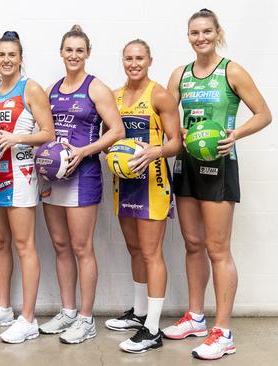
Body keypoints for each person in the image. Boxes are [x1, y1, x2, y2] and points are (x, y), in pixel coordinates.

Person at [161, 9, 271, 360]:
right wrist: (172, 131)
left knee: (217, 248)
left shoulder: (232, 71)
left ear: (217, 32)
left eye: (206, 31)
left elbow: (264, 114)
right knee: (192, 244)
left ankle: (222, 331)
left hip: (220, 165)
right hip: (187, 165)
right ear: (188, 35)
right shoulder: (179, 75)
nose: (200, 38)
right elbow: (165, 115)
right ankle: (195, 317)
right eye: (194, 32)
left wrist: (235, 133)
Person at [37, 25, 124, 344]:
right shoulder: (51, 89)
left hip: (82, 176)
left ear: (87, 54)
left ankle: (86, 320)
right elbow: (43, 130)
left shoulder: (97, 88)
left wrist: (83, 152)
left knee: (81, 247)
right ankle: (68, 311)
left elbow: (117, 131)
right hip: (52, 177)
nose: (73, 55)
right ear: (61, 53)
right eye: (68, 50)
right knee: (60, 246)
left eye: (79, 50)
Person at [0, 31, 55, 344]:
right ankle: (3, 307)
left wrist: (17, 138)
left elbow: (47, 133)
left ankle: (29, 319)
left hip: (20, 174)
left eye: (12, 55)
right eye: (1, 55)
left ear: (21, 59)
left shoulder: (30, 88)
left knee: (25, 245)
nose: (6, 60)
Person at [102, 39, 181, 353]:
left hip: (152, 183)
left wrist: (155, 152)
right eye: (128, 59)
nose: (133, 64)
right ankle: (139, 312)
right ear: (122, 61)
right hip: (125, 183)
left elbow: (176, 142)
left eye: (139, 58)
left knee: (151, 253)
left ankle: (152, 330)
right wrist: (113, 152)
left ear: (149, 60)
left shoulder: (159, 95)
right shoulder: (116, 97)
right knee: (134, 248)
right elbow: (110, 136)